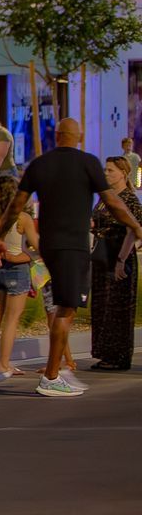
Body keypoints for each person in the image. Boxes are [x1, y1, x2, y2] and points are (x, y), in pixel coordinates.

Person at [0, 117, 142, 396]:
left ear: (57, 135)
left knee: (62, 306)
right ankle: (51, 377)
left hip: (49, 245)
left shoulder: (39, 163)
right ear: (79, 136)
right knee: (66, 308)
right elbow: (113, 201)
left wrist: (0, 237)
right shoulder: (88, 162)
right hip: (73, 246)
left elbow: (16, 205)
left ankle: (58, 371)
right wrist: (135, 225)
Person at [0, 173, 36, 385]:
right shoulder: (22, 218)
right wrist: (24, 257)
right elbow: (35, 247)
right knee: (11, 320)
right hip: (17, 270)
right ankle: (5, 365)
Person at [89, 154, 140, 372]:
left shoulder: (129, 199)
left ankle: (118, 357)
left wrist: (122, 259)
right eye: (105, 170)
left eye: (110, 170)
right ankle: (105, 353)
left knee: (118, 308)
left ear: (123, 173)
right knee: (102, 305)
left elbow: (134, 231)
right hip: (102, 256)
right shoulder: (105, 198)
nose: (106, 173)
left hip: (119, 256)